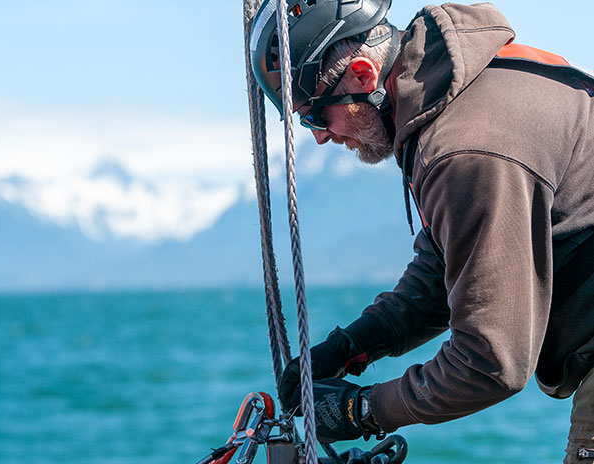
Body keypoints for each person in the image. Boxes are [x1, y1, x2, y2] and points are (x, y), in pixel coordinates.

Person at [249, 0, 594, 462]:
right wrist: (351, 346)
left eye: (315, 114)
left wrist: (363, 409)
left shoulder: (466, 149)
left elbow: (490, 362)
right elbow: (442, 267)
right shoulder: (457, 91)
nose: (319, 137)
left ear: (363, 75)